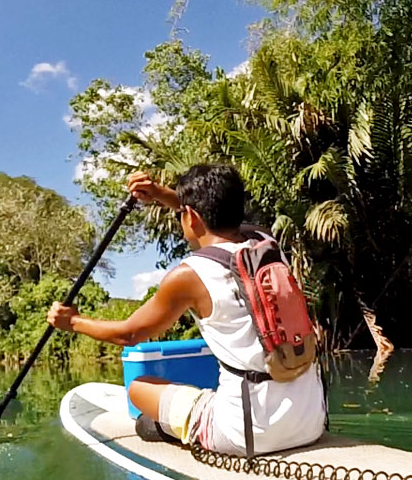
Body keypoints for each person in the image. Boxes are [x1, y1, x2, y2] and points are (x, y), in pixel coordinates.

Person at [47, 164, 326, 456]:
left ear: (190, 216)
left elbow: (128, 334)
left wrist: (73, 321)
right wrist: (158, 194)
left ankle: (180, 429)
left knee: (139, 389)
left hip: (248, 435)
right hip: (312, 421)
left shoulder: (190, 275)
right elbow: (210, 215)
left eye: (182, 212)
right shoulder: (266, 242)